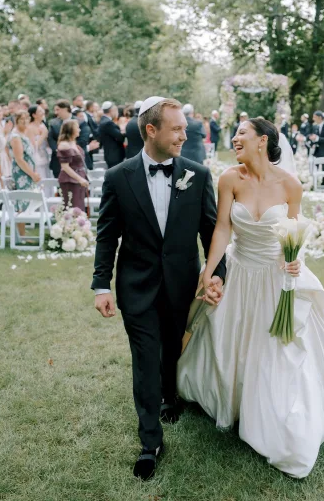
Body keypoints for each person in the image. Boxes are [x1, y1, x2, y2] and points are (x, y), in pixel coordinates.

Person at [178, 118, 324, 478]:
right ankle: (233, 400)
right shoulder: (229, 178)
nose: (235, 138)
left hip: (275, 277)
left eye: (242, 133)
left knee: (278, 349)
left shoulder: (290, 185)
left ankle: (273, 415)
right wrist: (209, 271)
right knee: (231, 339)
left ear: (263, 141)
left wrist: (295, 263)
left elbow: (294, 232)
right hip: (240, 272)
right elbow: (223, 227)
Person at [91, 96, 226, 481]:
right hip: (137, 286)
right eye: (177, 128)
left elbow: (211, 231)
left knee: (172, 347)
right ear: (151, 131)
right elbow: (107, 235)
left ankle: (171, 395)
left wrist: (218, 275)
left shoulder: (197, 174)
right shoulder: (119, 176)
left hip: (183, 284)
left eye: (185, 127)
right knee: (146, 358)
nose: (186, 134)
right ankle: (150, 441)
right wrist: (101, 284)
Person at [8, 111, 41, 237]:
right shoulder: (15, 137)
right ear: (16, 120)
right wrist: (32, 174)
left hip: (27, 172)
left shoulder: (23, 134)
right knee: (21, 202)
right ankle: (20, 236)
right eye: (22, 119)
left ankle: (21, 233)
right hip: (22, 174)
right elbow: (19, 159)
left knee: (27, 201)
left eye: (27, 119)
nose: (25, 121)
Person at [57, 121, 89, 211]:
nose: (79, 130)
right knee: (72, 207)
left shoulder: (73, 143)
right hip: (69, 180)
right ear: (71, 129)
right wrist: (80, 179)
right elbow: (65, 167)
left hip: (79, 177)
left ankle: (79, 225)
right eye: (77, 127)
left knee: (79, 206)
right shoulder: (64, 145)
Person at [48, 101, 72, 177]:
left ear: (65, 109)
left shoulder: (79, 121)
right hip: (58, 160)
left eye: (58, 110)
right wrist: (58, 150)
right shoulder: (53, 123)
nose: (56, 112)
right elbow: (50, 138)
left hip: (75, 159)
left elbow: (82, 139)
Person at [26, 105, 51, 180]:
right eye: (40, 111)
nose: (43, 112)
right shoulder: (30, 127)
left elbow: (47, 143)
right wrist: (43, 135)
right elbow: (33, 147)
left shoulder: (43, 125)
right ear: (34, 115)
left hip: (45, 155)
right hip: (36, 157)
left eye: (42, 110)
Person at [98, 102, 125, 168]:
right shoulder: (108, 123)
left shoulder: (103, 120)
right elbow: (120, 137)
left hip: (110, 155)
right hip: (114, 156)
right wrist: (124, 131)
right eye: (116, 110)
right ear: (111, 110)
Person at [309, 110, 324, 183]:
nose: (313, 119)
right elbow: (312, 135)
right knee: (316, 165)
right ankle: (316, 180)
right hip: (316, 149)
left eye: (315, 117)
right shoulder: (314, 126)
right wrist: (312, 138)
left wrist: (317, 138)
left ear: (320, 117)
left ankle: (323, 181)